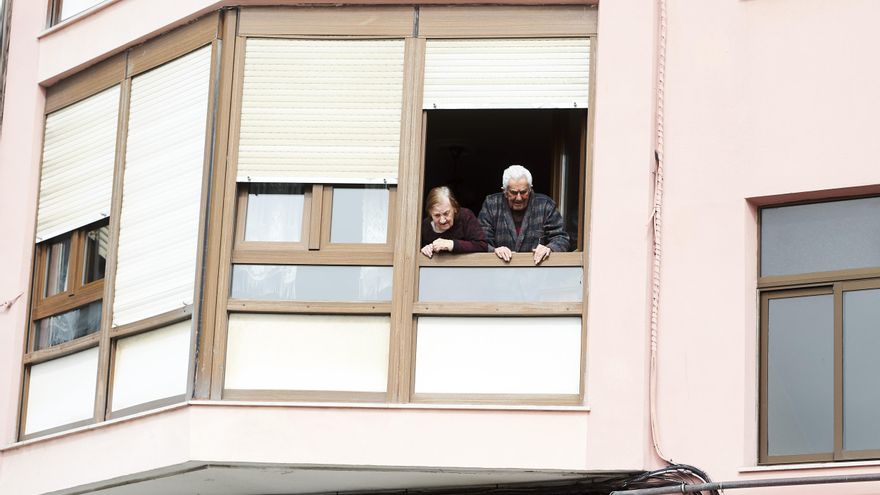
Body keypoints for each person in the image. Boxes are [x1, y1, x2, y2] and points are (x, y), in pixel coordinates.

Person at [478, 164, 570, 265]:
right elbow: (481, 241)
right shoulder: (491, 205)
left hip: (538, 271)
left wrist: (549, 248)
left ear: (530, 189)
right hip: (500, 270)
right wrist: (494, 250)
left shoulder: (545, 205)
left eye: (523, 192)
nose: (519, 198)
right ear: (505, 191)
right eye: (513, 192)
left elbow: (561, 238)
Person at [420, 186, 488, 258]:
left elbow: (482, 246)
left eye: (446, 213)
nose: (442, 220)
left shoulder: (465, 216)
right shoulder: (425, 225)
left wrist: (451, 244)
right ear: (430, 213)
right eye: (437, 215)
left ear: (455, 208)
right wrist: (425, 250)